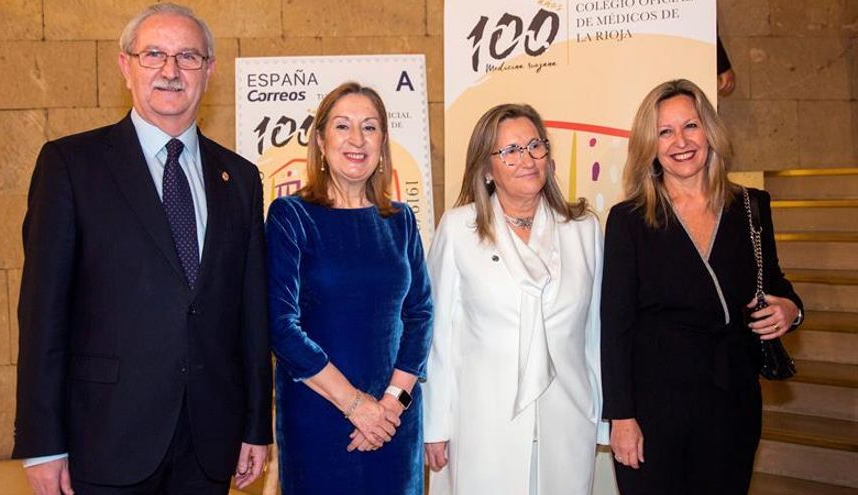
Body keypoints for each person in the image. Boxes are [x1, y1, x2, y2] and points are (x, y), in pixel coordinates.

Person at [12, 4, 272, 494]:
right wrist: (43, 443)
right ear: (125, 66)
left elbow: (251, 314)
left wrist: (257, 424)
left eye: (188, 56)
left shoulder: (240, 178)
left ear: (209, 71)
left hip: (209, 440)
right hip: (104, 436)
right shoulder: (70, 165)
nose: (170, 70)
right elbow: (43, 312)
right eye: (153, 54)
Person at [601, 79, 803, 494]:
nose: (681, 141)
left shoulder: (750, 206)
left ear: (709, 131)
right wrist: (621, 417)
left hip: (731, 403)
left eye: (690, 126)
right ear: (650, 145)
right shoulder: (629, 219)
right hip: (654, 411)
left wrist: (791, 310)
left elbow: (775, 283)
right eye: (665, 131)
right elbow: (615, 327)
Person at [422, 103, 607, 495]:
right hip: (483, 424)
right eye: (510, 151)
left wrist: (601, 417)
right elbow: (438, 338)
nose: (527, 159)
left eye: (535, 146)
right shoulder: (458, 230)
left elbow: (594, 333)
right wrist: (434, 426)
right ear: (487, 169)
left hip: (567, 419)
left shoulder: (583, 229)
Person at [266, 82, 433, 494]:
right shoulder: (292, 216)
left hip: (394, 424)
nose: (357, 139)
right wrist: (356, 406)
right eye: (343, 126)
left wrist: (392, 404)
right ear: (321, 141)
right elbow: (281, 326)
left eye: (369, 127)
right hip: (319, 418)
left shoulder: (400, 220)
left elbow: (420, 315)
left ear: (382, 143)